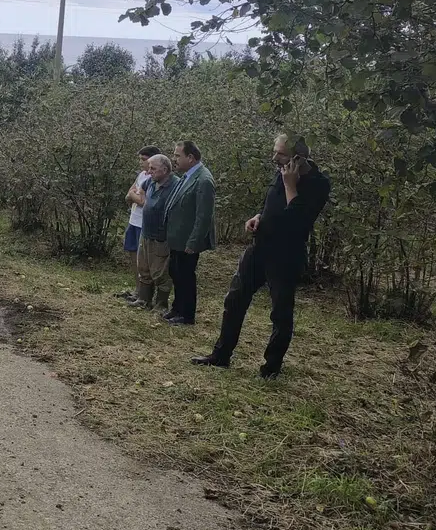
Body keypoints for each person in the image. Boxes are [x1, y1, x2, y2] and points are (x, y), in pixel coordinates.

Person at [193, 135, 331, 378]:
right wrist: (258, 217)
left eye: (280, 154)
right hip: (260, 248)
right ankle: (220, 355)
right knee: (234, 300)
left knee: (280, 313)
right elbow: (274, 205)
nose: (274, 158)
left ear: (299, 158)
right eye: (275, 152)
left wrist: (290, 184)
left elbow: (297, 220)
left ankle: (271, 368)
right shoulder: (281, 172)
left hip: (286, 255)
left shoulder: (318, 183)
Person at [163, 140, 216, 325]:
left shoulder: (204, 180)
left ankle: (187, 315)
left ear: (191, 158)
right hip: (177, 238)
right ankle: (177, 308)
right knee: (176, 272)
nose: (174, 159)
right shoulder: (187, 175)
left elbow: (204, 217)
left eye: (178, 156)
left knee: (186, 276)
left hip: (188, 241)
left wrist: (193, 242)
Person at [130, 153, 179, 313]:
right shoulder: (150, 181)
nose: (149, 171)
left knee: (160, 272)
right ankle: (144, 299)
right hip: (146, 232)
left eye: (153, 168)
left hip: (162, 236)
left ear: (164, 170)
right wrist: (141, 198)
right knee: (143, 267)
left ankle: (161, 305)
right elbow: (138, 190)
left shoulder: (176, 185)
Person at [118, 145, 163, 301]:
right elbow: (128, 195)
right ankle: (137, 290)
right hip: (133, 220)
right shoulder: (141, 175)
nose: (141, 163)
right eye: (140, 159)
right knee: (133, 257)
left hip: (144, 224)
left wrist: (133, 195)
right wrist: (132, 195)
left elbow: (143, 201)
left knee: (145, 261)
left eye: (144, 160)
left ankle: (147, 295)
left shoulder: (154, 179)